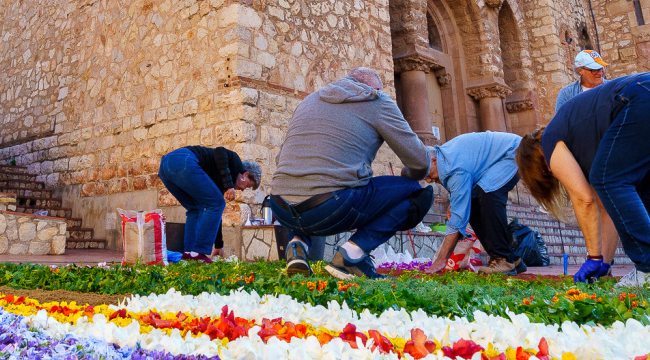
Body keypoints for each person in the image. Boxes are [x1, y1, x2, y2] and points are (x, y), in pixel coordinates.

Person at [268, 67, 433, 280]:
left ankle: (297, 245)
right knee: (416, 193)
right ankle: (352, 255)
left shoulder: (309, 100)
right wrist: (411, 173)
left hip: (280, 207)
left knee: (306, 183)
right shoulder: (377, 100)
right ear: (374, 88)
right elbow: (421, 161)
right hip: (328, 209)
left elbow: (279, 160)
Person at [516, 72, 650, 287]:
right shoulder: (586, 139)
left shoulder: (550, 140)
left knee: (608, 180)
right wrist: (604, 264)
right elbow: (607, 208)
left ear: (540, 163)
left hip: (638, 97)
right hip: (643, 91)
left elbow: (584, 200)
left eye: (546, 172)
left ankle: (647, 269)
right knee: (640, 189)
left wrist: (593, 257)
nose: (554, 173)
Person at [409, 131, 525, 276]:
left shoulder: (454, 168)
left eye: (426, 174)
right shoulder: (446, 162)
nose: (428, 180)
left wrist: (441, 259)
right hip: (502, 157)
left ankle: (502, 259)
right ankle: (512, 259)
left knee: (488, 193)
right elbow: (461, 195)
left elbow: (457, 219)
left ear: (433, 160)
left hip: (512, 152)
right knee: (474, 203)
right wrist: (454, 204)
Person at [158, 145, 261, 260]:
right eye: (247, 186)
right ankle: (198, 252)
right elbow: (219, 151)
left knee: (196, 209)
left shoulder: (220, 181)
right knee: (217, 203)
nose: (242, 190)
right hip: (183, 160)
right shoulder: (235, 162)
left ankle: (189, 254)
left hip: (165, 166)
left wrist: (218, 245)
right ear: (246, 175)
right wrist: (229, 185)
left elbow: (215, 214)